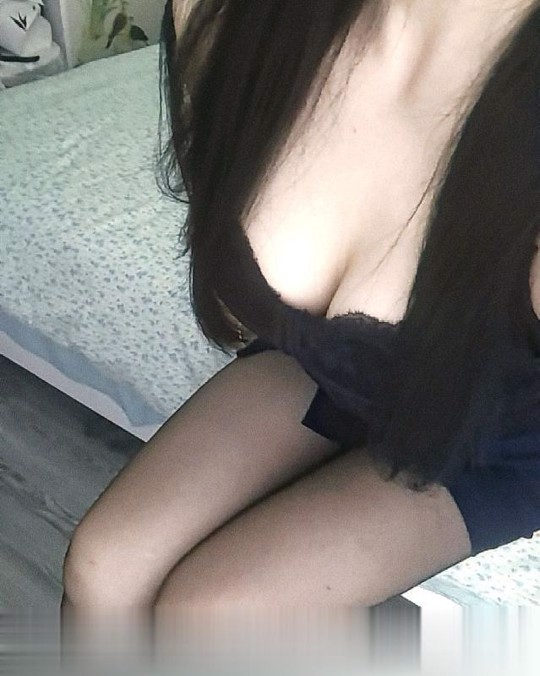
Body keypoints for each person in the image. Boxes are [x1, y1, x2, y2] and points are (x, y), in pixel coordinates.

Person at [60, 0, 540, 644]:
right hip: (336, 362)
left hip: (499, 427)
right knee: (104, 568)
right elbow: (236, 304)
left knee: (213, 615)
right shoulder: (236, 20)